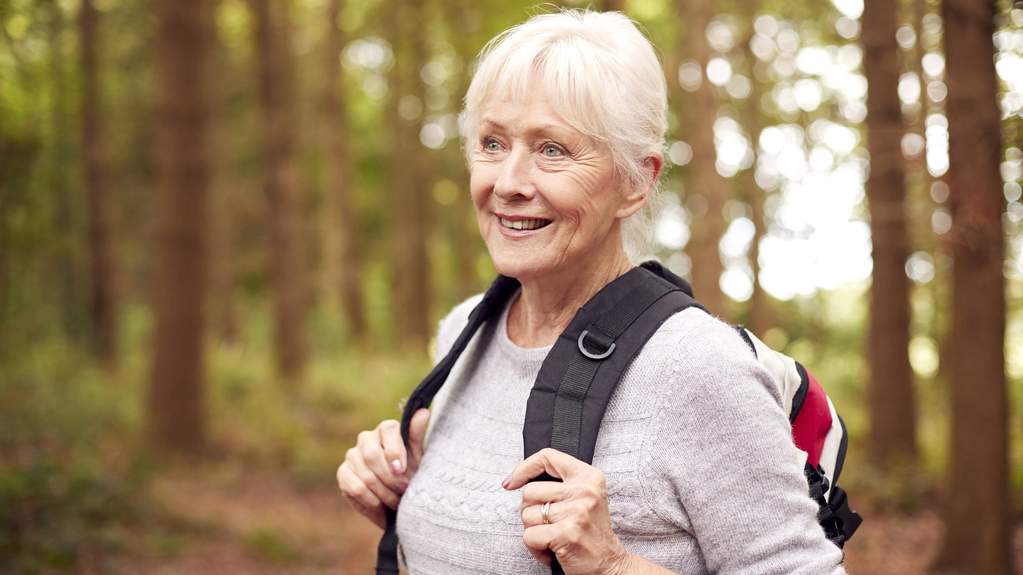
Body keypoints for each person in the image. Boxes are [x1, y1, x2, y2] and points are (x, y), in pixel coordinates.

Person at [337, 9, 847, 574]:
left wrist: (613, 565)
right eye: (492, 143)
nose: (508, 183)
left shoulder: (699, 367)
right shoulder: (464, 332)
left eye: (552, 150)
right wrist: (399, 495)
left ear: (636, 181)